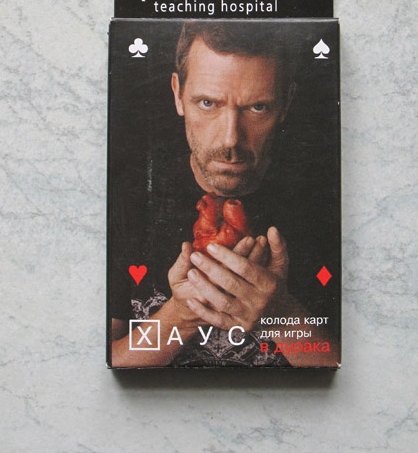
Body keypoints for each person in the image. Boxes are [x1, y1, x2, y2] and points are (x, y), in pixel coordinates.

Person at [109, 21, 337, 367]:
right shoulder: (127, 198)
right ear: (177, 94)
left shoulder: (327, 202)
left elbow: (356, 376)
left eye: (257, 108)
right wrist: (180, 316)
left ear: (286, 103)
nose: (231, 138)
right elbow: (102, 365)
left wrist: (281, 315)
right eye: (207, 103)